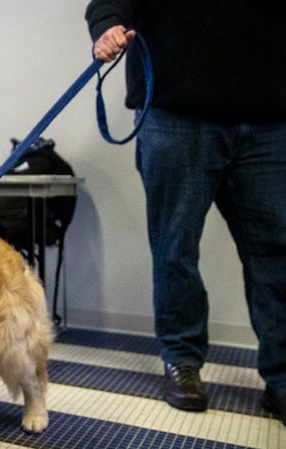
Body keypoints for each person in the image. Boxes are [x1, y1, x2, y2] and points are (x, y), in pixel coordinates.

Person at [85, 1, 286, 422]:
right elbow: (108, 1)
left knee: (276, 253)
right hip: (176, 107)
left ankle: (281, 377)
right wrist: (107, 26)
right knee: (175, 247)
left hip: (270, 109)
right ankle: (182, 361)